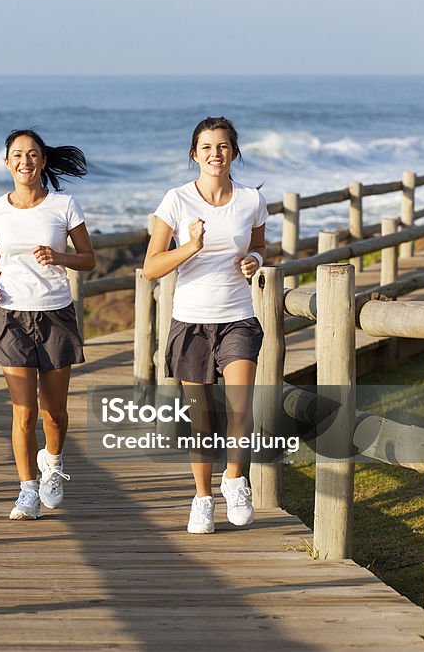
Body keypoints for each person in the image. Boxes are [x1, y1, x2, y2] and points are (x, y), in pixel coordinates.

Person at [142, 116, 267, 534]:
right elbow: (151, 268)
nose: (216, 154)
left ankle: (234, 478)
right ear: (194, 154)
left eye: (224, 147)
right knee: (201, 419)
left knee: (240, 406)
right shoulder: (176, 201)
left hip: (237, 317)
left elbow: (261, 245)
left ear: (234, 153)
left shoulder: (250, 200)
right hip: (191, 321)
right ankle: (201, 498)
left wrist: (256, 261)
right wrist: (190, 247)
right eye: (207, 147)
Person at [0, 129, 96, 520]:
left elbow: (88, 259)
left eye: (32, 154)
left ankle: (53, 463)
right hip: (10, 315)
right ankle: (27, 490)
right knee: (23, 411)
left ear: (43, 161)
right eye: (17, 154)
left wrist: (59, 258)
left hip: (55, 314)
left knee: (54, 413)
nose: (25, 161)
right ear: (7, 162)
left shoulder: (64, 205)